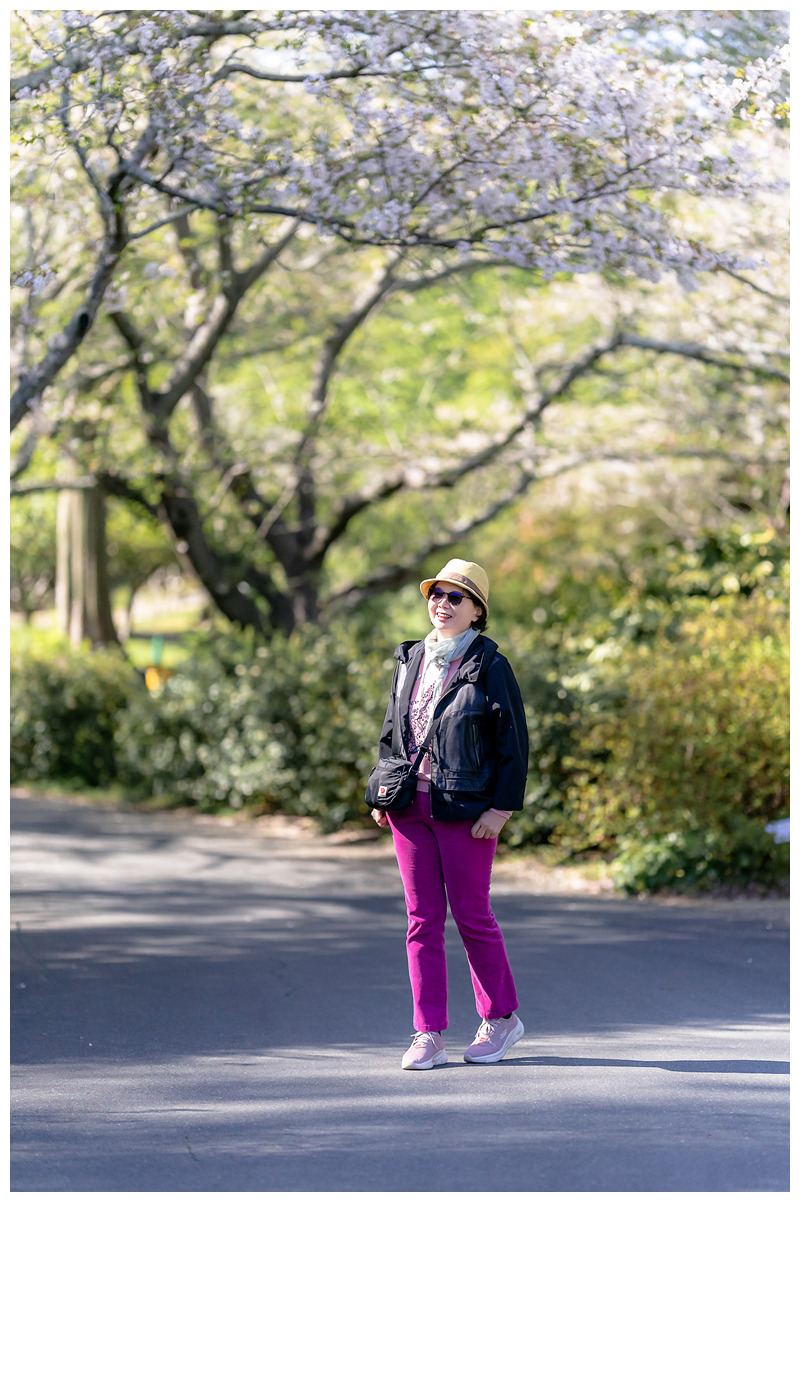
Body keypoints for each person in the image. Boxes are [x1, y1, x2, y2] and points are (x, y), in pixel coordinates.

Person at [370, 559, 529, 1070]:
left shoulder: (490, 665)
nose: (442, 603)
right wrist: (385, 794)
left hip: (467, 808)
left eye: (455, 596)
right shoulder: (410, 657)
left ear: (477, 610)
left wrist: (501, 809)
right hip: (409, 808)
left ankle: (500, 1019)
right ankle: (428, 1033)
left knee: (472, 916)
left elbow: (513, 743)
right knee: (421, 921)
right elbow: (393, 728)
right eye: (436, 594)